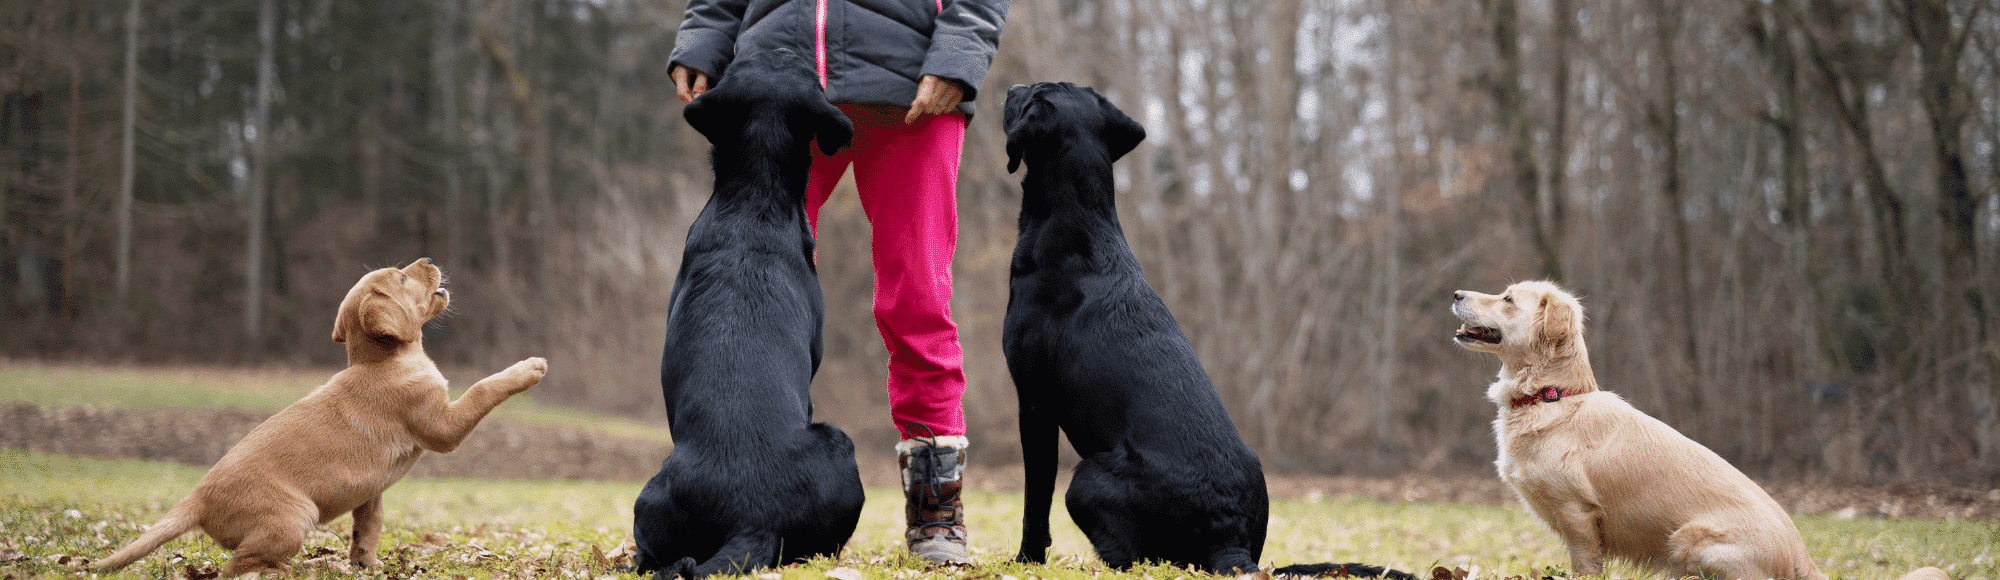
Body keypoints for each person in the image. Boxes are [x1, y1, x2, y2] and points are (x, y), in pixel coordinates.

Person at [667, 0, 1010, 566]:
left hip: (913, 89)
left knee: (918, 299)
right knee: (742, 297)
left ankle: (935, 512)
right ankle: (728, 498)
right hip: (777, 88)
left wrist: (959, 54)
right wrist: (705, 33)